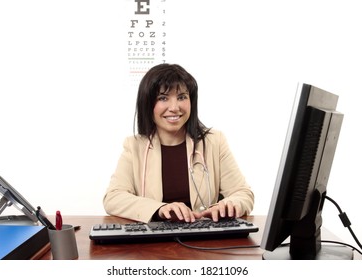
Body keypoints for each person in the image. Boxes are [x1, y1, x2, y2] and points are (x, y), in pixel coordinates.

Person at [103, 63, 254, 223]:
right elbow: (113, 197)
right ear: (147, 104)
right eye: (163, 98)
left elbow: (243, 193)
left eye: (182, 97)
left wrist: (228, 205)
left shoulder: (214, 141)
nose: (174, 107)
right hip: (156, 243)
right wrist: (159, 209)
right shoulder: (134, 146)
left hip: (205, 239)